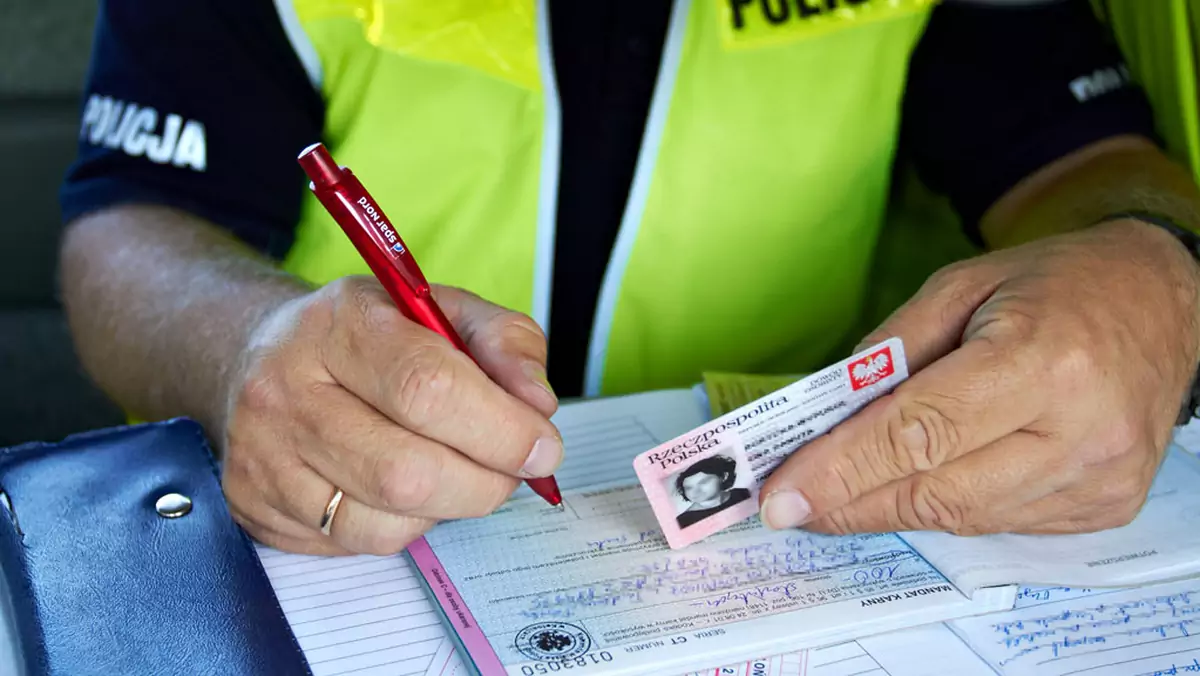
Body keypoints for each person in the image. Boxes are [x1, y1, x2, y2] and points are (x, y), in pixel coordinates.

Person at [58, 0, 1200, 557]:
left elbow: (1088, 161)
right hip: (348, 541)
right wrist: (242, 348)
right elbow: (125, 225)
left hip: (779, 544)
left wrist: (1159, 273)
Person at [673, 455, 753, 529]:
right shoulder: (683, 521)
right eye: (689, 488)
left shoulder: (743, 493)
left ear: (724, 476)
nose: (696, 491)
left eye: (703, 482)